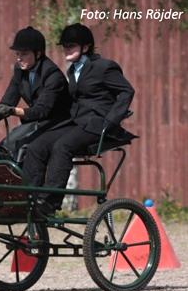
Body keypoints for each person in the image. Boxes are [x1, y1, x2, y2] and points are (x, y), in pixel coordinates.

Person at [22, 23, 137, 216]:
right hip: (76, 122)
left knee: (62, 146)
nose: (67, 49)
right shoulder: (72, 70)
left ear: (86, 47)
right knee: (37, 145)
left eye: (71, 45)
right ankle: (30, 196)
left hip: (96, 123)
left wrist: (110, 121)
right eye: (65, 46)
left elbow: (127, 91)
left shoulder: (104, 67)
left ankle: (49, 201)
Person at [0, 26, 71, 162]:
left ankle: (22, 182)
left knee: (20, 148)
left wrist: (11, 111)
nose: (19, 59)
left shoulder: (53, 76)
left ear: (38, 54)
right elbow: (9, 100)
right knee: (2, 149)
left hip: (58, 125)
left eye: (24, 54)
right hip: (37, 123)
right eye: (17, 54)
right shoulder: (20, 70)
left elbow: (41, 111)